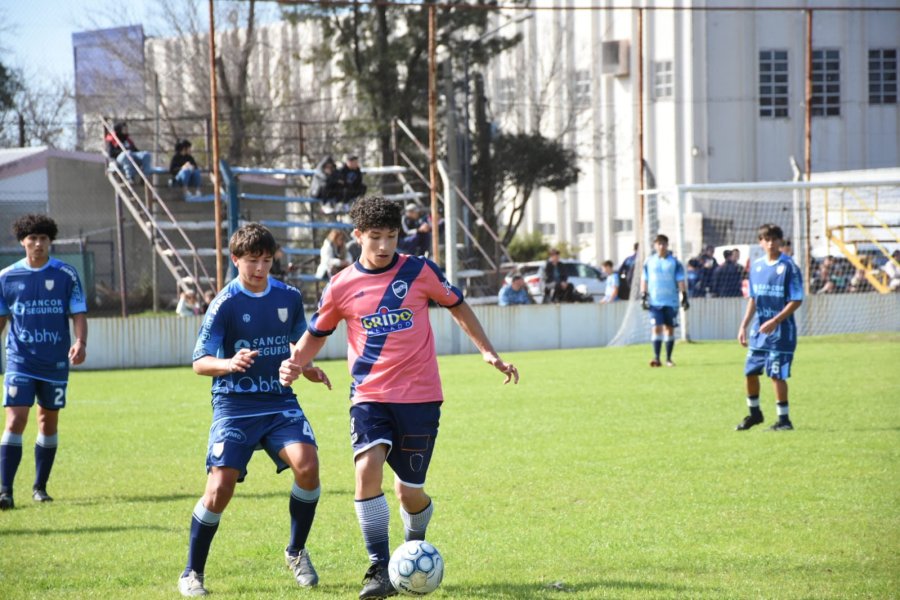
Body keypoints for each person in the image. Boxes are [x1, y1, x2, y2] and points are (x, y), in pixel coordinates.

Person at [277, 196, 518, 600]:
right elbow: (317, 332)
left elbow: (457, 306)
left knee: (409, 492)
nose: (384, 245)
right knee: (367, 470)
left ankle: (413, 547)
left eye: (390, 236)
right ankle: (378, 568)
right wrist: (294, 364)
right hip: (369, 396)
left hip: (421, 399)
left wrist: (486, 350)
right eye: (375, 237)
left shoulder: (419, 271)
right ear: (357, 236)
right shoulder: (341, 286)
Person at [177, 223, 332, 597]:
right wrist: (229, 363)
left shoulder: (289, 297)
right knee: (219, 488)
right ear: (235, 261)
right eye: (252, 261)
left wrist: (305, 368)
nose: (260, 268)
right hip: (235, 405)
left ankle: (295, 551)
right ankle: (191, 573)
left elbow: (300, 346)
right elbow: (200, 362)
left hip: (279, 401)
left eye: (266, 260)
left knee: (308, 468)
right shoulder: (225, 303)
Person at [0, 214, 88, 510]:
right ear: (22, 241)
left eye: (43, 239)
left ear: (50, 241)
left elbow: (78, 312)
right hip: (19, 360)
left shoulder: (66, 274)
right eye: (32, 239)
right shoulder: (7, 277)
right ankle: (5, 490)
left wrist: (80, 342)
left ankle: (40, 487)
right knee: (15, 419)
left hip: (54, 361)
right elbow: (2, 318)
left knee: (47, 422)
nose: (38, 244)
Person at [735, 223, 804, 431]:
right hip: (759, 331)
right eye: (767, 239)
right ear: (761, 242)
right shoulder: (756, 267)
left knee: (776, 375)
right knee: (750, 371)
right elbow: (753, 298)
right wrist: (743, 325)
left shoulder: (789, 267)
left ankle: (784, 420)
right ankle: (754, 414)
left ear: (780, 241)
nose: (771, 243)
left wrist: (776, 320)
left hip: (781, 332)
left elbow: (797, 299)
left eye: (774, 239)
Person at [640, 234, 688, 367]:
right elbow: (644, 278)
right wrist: (643, 295)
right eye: (658, 244)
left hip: (671, 301)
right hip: (655, 302)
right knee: (656, 328)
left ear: (667, 245)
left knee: (669, 329)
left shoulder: (674, 262)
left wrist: (684, 295)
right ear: (655, 245)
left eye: (663, 244)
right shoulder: (649, 261)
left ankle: (668, 358)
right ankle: (656, 358)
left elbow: (680, 280)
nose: (661, 246)